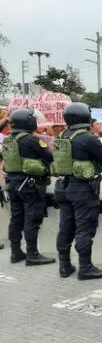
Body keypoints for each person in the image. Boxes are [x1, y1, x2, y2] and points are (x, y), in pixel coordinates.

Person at [53, 102, 102, 280]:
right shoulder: (88, 138)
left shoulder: (61, 136)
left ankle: (64, 266)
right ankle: (85, 268)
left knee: (65, 228)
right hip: (82, 190)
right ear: (86, 118)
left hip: (63, 187)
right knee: (84, 228)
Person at [2, 109, 55, 265]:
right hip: (29, 185)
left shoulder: (7, 140)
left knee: (16, 218)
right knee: (32, 218)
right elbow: (49, 156)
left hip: (12, 183)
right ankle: (32, 254)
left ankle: (15, 252)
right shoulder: (31, 140)